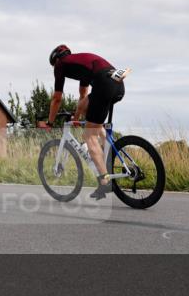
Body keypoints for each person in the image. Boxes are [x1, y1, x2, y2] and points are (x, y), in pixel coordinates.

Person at [37, 44, 126, 198]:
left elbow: (57, 98)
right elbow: (83, 96)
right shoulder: (80, 62)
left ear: (56, 58)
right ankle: (108, 146)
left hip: (104, 84)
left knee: (88, 136)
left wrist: (50, 123)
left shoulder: (60, 64)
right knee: (91, 117)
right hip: (118, 83)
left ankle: (105, 182)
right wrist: (76, 118)